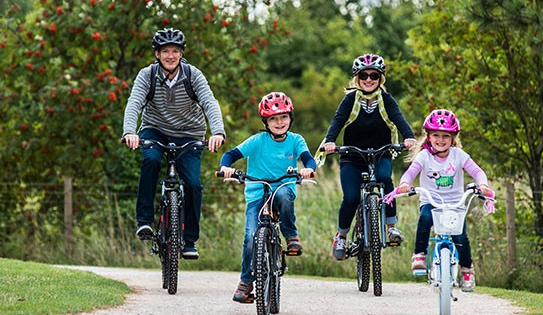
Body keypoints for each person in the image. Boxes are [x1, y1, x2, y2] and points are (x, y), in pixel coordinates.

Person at [122, 28, 225, 259]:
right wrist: (129, 131)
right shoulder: (147, 76)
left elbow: (210, 102)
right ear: (157, 54)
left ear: (181, 54)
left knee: (193, 183)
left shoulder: (193, 75)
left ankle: (189, 241)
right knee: (150, 160)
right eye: (165, 51)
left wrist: (217, 132)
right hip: (155, 129)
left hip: (189, 133)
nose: (171, 56)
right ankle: (145, 220)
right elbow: (134, 104)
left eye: (175, 51)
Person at [316, 54, 417, 261]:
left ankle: (391, 228)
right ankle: (341, 236)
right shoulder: (350, 100)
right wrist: (330, 141)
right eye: (364, 75)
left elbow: (398, 118)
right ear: (357, 78)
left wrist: (409, 137)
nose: (369, 79)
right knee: (351, 197)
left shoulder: (386, 100)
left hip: (381, 153)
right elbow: (337, 121)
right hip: (352, 156)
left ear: (380, 78)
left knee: (385, 179)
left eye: (374, 75)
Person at [219, 92, 316, 303]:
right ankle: (246, 282)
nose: (279, 122)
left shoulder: (296, 140)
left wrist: (308, 169)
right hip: (256, 194)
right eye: (273, 118)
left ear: (290, 118)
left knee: (283, 194)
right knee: (250, 236)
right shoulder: (257, 141)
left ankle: (291, 236)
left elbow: (309, 159)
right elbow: (231, 155)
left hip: (284, 189)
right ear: (266, 121)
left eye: (283, 117)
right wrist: (225, 167)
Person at [383, 109, 494, 292]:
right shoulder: (424, 156)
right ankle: (419, 255)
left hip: (455, 204)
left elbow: (477, 172)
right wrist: (404, 183)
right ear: (428, 136)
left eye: (445, 136)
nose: (440, 140)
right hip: (431, 200)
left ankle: (467, 270)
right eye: (436, 135)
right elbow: (411, 172)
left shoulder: (459, 155)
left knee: (460, 237)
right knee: (425, 218)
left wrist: (483, 184)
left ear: (453, 138)